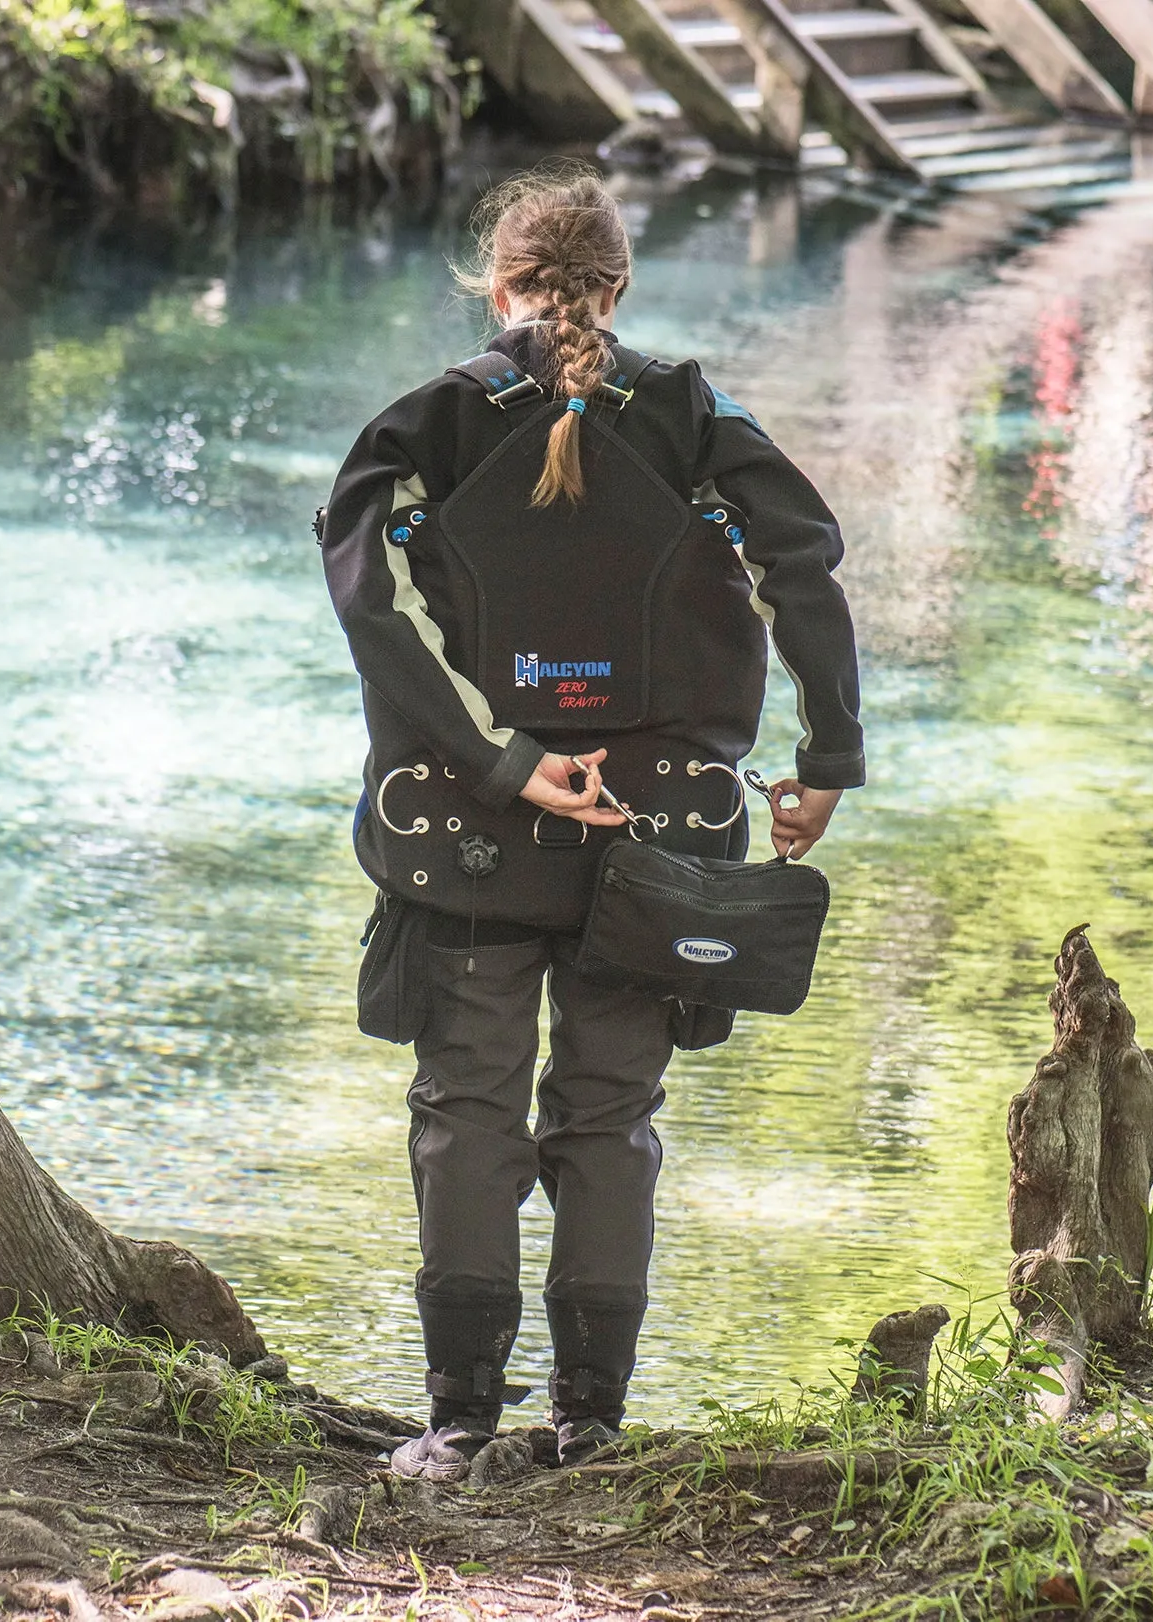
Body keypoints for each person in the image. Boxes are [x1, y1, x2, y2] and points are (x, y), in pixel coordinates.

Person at [317, 166, 864, 1480]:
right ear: (615, 290)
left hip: (471, 832)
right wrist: (824, 755)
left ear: (493, 285)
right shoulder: (687, 414)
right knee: (611, 1118)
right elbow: (803, 560)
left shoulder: (431, 422)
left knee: (465, 1109)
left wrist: (505, 759)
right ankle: (591, 1424)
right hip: (658, 836)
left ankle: (455, 1423)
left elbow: (365, 596)